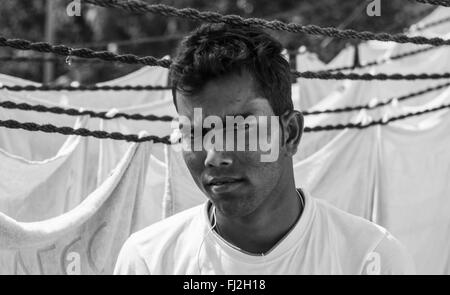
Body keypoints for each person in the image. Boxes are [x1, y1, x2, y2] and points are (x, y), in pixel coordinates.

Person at [114, 23, 415, 275]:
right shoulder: (149, 262)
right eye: (195, 132)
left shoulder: (369, 260)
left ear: (290, 133)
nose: (215, 156)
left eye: (241, 128)